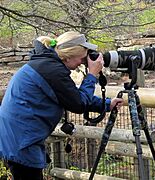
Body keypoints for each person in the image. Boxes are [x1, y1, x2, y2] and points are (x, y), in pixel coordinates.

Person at [0, 31, 124, 180]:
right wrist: (91, 75)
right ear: (69, 56)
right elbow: (78, 104)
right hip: (22, 141)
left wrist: (106, 105)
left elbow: (70, 96)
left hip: (17, 137)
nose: (82, 63)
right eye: (81, 58)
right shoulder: (52, 70)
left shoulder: (47, 65)